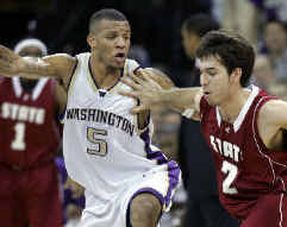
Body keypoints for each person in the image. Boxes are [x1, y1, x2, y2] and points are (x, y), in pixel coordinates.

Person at [120, 30, 287, 226]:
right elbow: (182, 97)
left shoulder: (268, 112)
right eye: (202, 72)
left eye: (212, 73)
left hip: (281, 207)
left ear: (235, 74)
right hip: (245, 211)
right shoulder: (208, 102)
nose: (204, 80)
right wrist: (161, 96)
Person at [0, 8, 181, 227]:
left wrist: (163, 96)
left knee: (142, 210)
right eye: (112, 37)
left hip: (142, 176)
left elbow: (179, 98)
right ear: (92, 40)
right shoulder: (70, 69)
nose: (122, 43)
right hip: (99, 193)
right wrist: (17, 65)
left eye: (126, 37)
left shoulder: (140, 78)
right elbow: (21, 66)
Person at [180, 14, 239, 227]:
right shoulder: (199, 74)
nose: (183, 44)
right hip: (201, 184)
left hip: (215, 183)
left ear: (196, 40)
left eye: (185, 38)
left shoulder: (219, 76)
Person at [0, 38, 65, 227]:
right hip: (4, 171)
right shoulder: (2, 85)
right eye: (25, 54)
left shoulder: (55, 90)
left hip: (41, 172)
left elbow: (71, 132)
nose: (30, 59)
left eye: (37, 55)